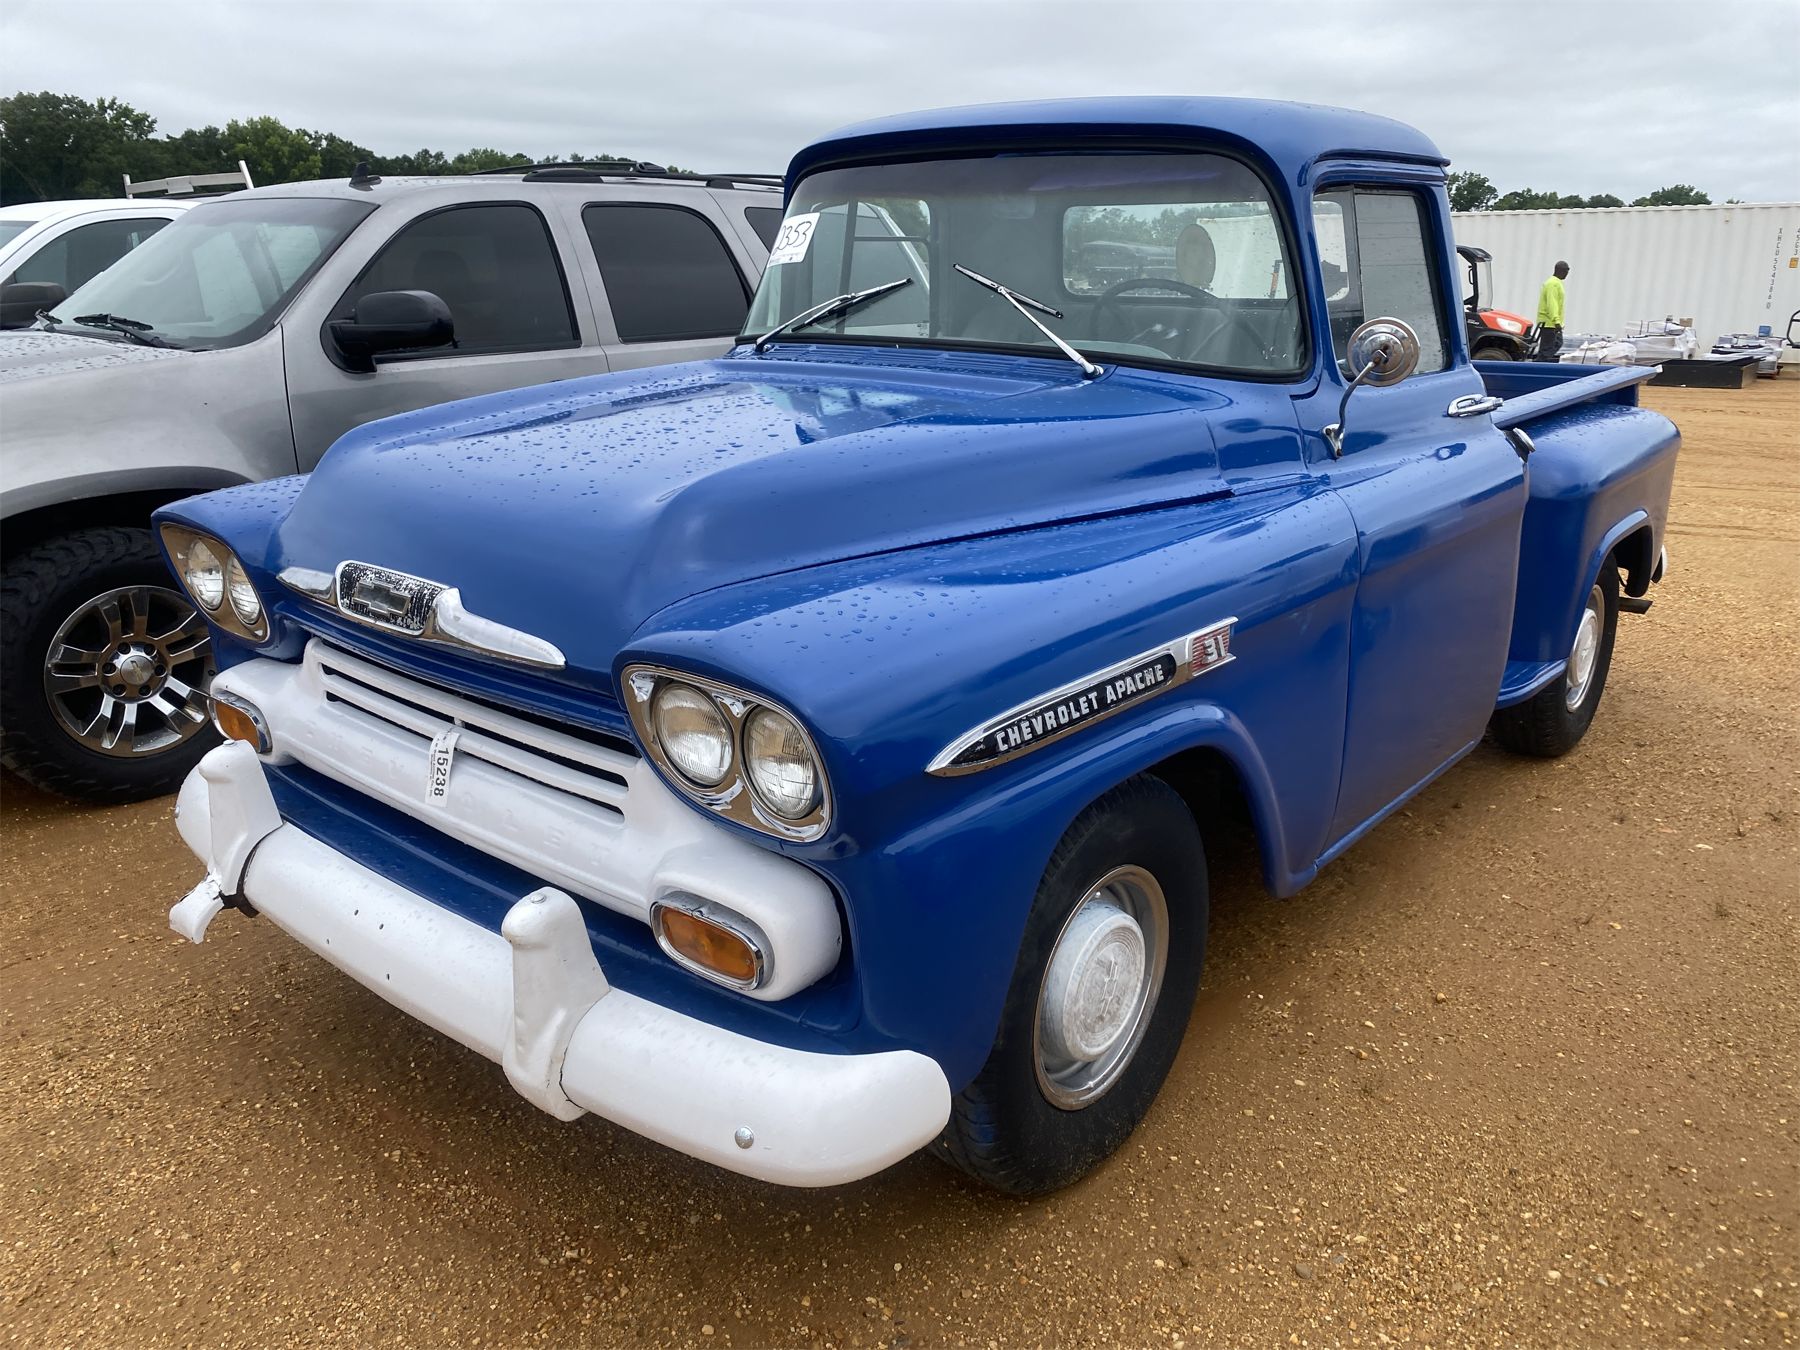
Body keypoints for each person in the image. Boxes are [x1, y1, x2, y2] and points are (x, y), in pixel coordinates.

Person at [1536, 261, 1570, 360]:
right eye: (1566, 271)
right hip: (1549, 323)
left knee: (1551, 346)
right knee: (1549, 348)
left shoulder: (1555, 283)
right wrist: (1556, 321)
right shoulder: (1553, 284)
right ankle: (1539, 364)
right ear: (1560, 270)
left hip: (1550, 323)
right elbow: (1552, 304)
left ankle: (1540, 363)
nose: (1567, 274)